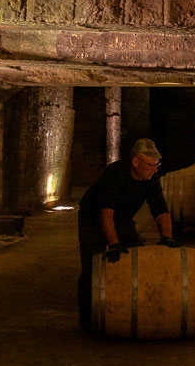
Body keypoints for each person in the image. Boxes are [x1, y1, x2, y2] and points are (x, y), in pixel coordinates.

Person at [77, 138, 181, 331]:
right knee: (92, 265)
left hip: (123, 220)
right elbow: (105, 215)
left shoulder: (151, 178)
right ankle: (87, 318)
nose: (155, 170)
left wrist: (167, 237)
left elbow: (161, 210)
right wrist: (114, 243)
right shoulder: (114, 175)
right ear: (135, 162)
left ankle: (134, 308)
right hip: (93, 219)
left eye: (156, 165)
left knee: (138, 261)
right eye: (150, 165)